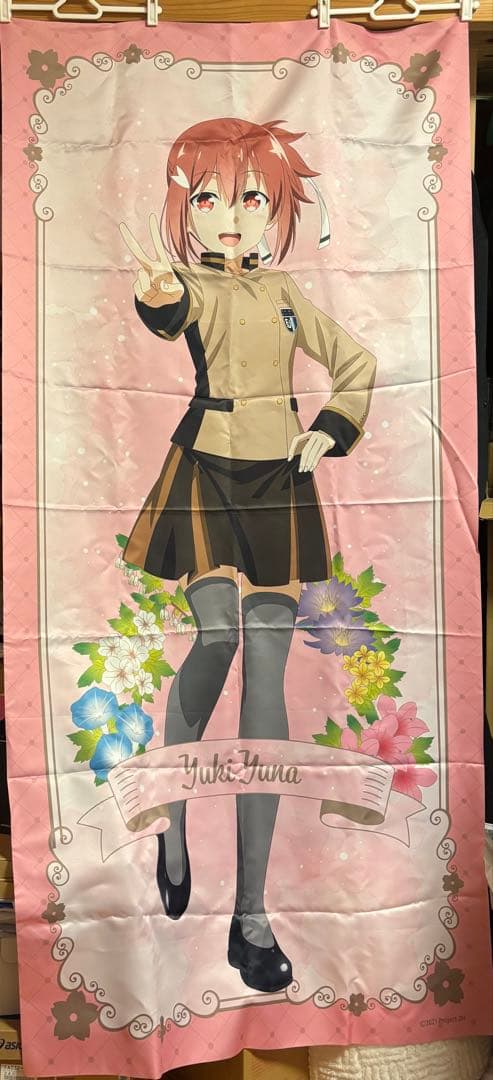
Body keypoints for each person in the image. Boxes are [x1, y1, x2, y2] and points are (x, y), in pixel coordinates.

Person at [120, 117, 376, 994]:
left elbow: (355, 363)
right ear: (185, 211)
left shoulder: (287, 292)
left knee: (267, 668)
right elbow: (169, 311)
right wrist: (157, 295)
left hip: (280, 480)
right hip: (204, 468)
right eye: (207, 199)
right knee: (218, 637)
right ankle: (174, 826)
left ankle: (252, 914)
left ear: (276, 211)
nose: (230, 217)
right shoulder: (190, 284)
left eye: (251, 198)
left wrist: (328, 430)